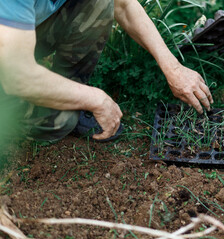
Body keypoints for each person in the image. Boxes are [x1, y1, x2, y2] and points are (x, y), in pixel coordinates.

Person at [0, 0, 213, 142]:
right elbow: (18, 76)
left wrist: (173, 68)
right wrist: (96, 99)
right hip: (10, 64)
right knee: (62, 120)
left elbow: (123, 5)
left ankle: (66, 92)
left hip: (20, 35)